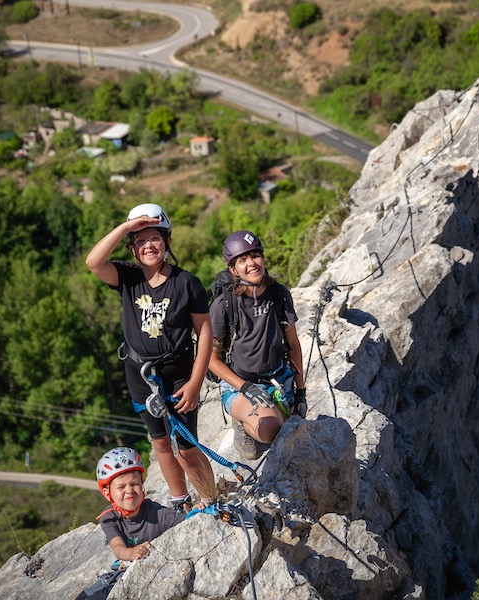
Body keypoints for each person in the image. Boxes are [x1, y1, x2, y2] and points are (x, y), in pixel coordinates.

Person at [85, 203, 216, 509]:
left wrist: (196, 383)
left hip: (180, 372)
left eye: (154, 238)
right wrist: (125, 228)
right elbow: (93, 262)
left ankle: (212, 500)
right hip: (141, 374)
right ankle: (180, 500)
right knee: (159, 442)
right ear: (132, 247)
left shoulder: (186, 283)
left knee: (186, 447)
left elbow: (206, 333)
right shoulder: (128, 278)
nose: (148, 246)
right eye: (140, 241)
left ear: (167, 241)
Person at [208, 230, 307, 460]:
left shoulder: (278, 294)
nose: (252, 263)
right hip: (240, 384)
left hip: (278, 378)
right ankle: (243, 422)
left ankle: (267, 414)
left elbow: (293, 344)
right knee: (272, 430)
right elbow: (211, 361)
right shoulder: (224, 305)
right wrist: (246, 388)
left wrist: (301, 392)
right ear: (232, 269)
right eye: (242, 260)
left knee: (294, 428)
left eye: (255, 256)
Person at [76, 447, 187, 600]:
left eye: (134, 484)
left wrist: (196, 512)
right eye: (121, 487)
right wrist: (130, 553)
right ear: (108, 493)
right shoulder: (109, 518)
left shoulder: (157, 513)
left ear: (142, 486)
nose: (129, 491)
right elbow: (118, 547)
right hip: (123, 570)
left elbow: (188, 523)